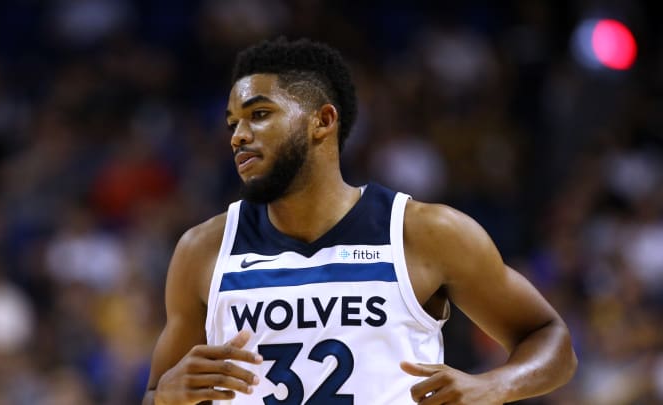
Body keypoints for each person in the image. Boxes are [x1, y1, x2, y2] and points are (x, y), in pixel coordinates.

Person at [142, 37, 577, 405]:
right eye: (233, 122)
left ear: (323, 121)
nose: (238, 135)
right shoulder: (203, 249)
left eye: (259, 115)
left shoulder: (424, 232)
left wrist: (491, 386)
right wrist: (164, 396)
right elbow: (156, 392)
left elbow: (549, 337)